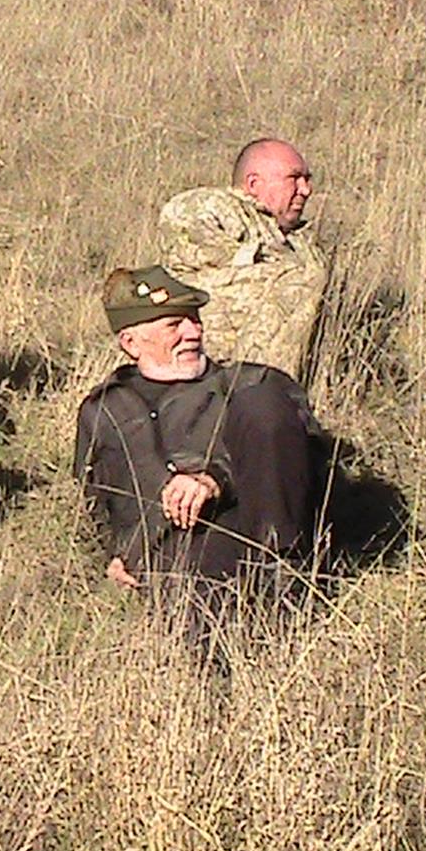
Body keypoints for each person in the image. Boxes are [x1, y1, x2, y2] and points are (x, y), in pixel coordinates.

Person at [75, 265, 322, 625]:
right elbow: (95, 500)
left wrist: (215, 478)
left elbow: (306, 455)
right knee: (207, 619)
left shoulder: (249, 385)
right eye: (174, 325)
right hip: (168, 553)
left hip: (245, 529)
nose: (194, 332)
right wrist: (114, 554)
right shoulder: (103, 409)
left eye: (194, 319)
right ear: (131, 343)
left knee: (264, 405)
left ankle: (284, 583)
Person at [158, 137, 328, 381]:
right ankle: (260, 390)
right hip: (205, 324)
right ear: (253, 184)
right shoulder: (209, 205)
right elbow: (197, 256)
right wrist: (279, 265)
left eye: (307, 180)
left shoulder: (302, 237)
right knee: (300, 282)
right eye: (294, 178)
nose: (305, 190)